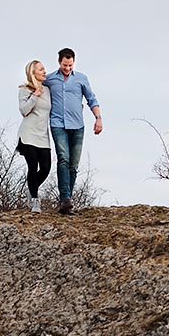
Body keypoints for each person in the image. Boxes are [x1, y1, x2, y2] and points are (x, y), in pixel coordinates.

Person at [43, 47, 102, 215]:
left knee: (73, 166)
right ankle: (65, 198)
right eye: (64, 65)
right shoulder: (50, 79)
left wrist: (98, 118)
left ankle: (65, 204)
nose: (67, 68)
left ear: (73, 62)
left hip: (77, 126)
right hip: (58, 124)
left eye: (70, 65)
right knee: (63, 159)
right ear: (59, 62)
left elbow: (92, 99)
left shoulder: (82, 79)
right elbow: (35, 85)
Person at [16, 60, 52, 213]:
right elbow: (24, 110)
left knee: (45, 168)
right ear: (33, 73)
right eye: (41, 70)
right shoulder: (24, 90)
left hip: (43, 135)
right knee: (33, 165)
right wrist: (35, 95)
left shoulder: (48, 90)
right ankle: (35, 202)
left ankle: (32, 189)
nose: (44, 72)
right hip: (28, 134)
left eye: (44, 69)